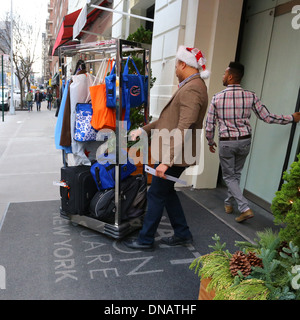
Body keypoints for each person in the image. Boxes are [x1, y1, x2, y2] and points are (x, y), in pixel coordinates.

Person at [123, 46, 210, 250]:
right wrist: (143, 130)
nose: (175, 70)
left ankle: (145, 239)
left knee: (156, 193)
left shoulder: (193, 88)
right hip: (175, 153)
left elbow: (183, 127)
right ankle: (182, 233)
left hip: (176, 155)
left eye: (176, 65)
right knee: (167, 192)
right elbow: (167, 120)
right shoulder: (190, 86)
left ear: (183, 64)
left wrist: (166, 161)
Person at [205, 61, 300, 223]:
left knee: (229, 177)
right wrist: (291, 118)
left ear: (230, 76)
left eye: (224, 74)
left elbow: (209, 124)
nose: (222, 76)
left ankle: (244, 208)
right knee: (236, 174)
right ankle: (228, 202)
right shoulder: (250, 96)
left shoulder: (217, 98)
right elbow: (267, 117)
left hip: (227, 143)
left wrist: (210, 140)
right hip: (244, 142)